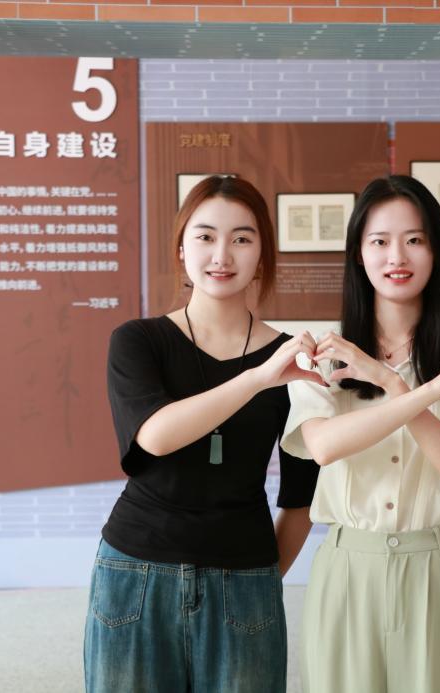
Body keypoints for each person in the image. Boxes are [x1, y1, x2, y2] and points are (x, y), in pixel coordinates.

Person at [84, 176, 322, 692]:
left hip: (245, 578)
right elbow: (155, 436)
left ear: (263, 254)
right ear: (181, 248)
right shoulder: (138, 340)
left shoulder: (293, 360)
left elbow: (302, 498)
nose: (221, 255)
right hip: (136, 573)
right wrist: (258, 378)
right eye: (206, 236)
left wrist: (257, 581)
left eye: (242, 238)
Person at [280, 175, 440, 693]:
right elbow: (324, 446)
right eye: (380, 241)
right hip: (347, 570)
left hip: (438, 569)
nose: (396, 257)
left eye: (414, 240)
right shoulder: (323, 353)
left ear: (436, 251)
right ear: (358, 254)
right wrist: (434, 391)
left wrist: (390, 383)